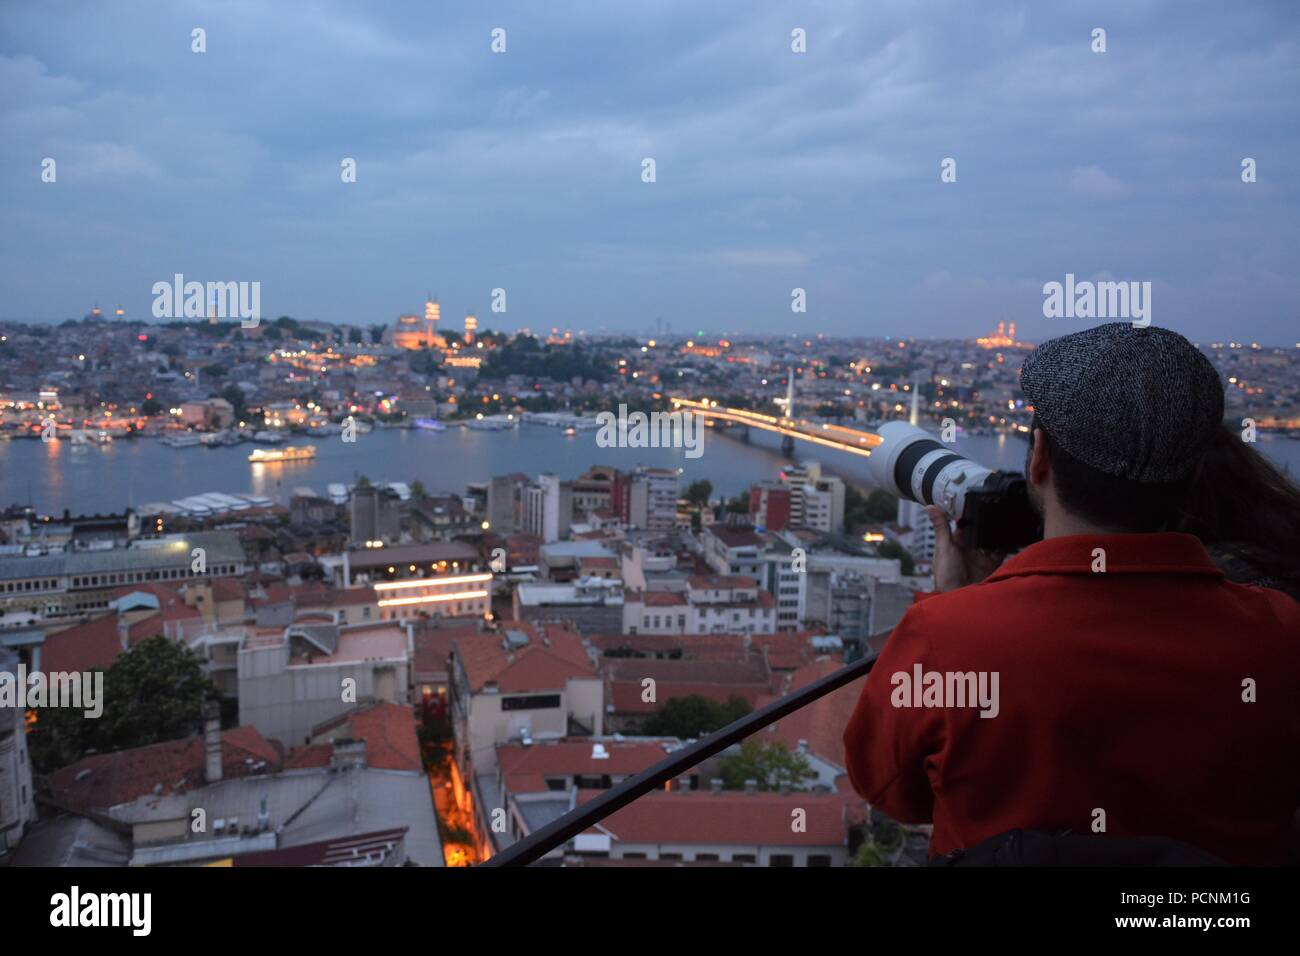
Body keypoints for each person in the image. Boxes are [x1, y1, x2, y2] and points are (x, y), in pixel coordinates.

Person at [842, 323, 1300, 865]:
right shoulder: (1278, 632)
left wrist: (959, 604)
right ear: (1196, 472)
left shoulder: (951, 639)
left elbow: (888, 788)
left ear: (1037, 459)